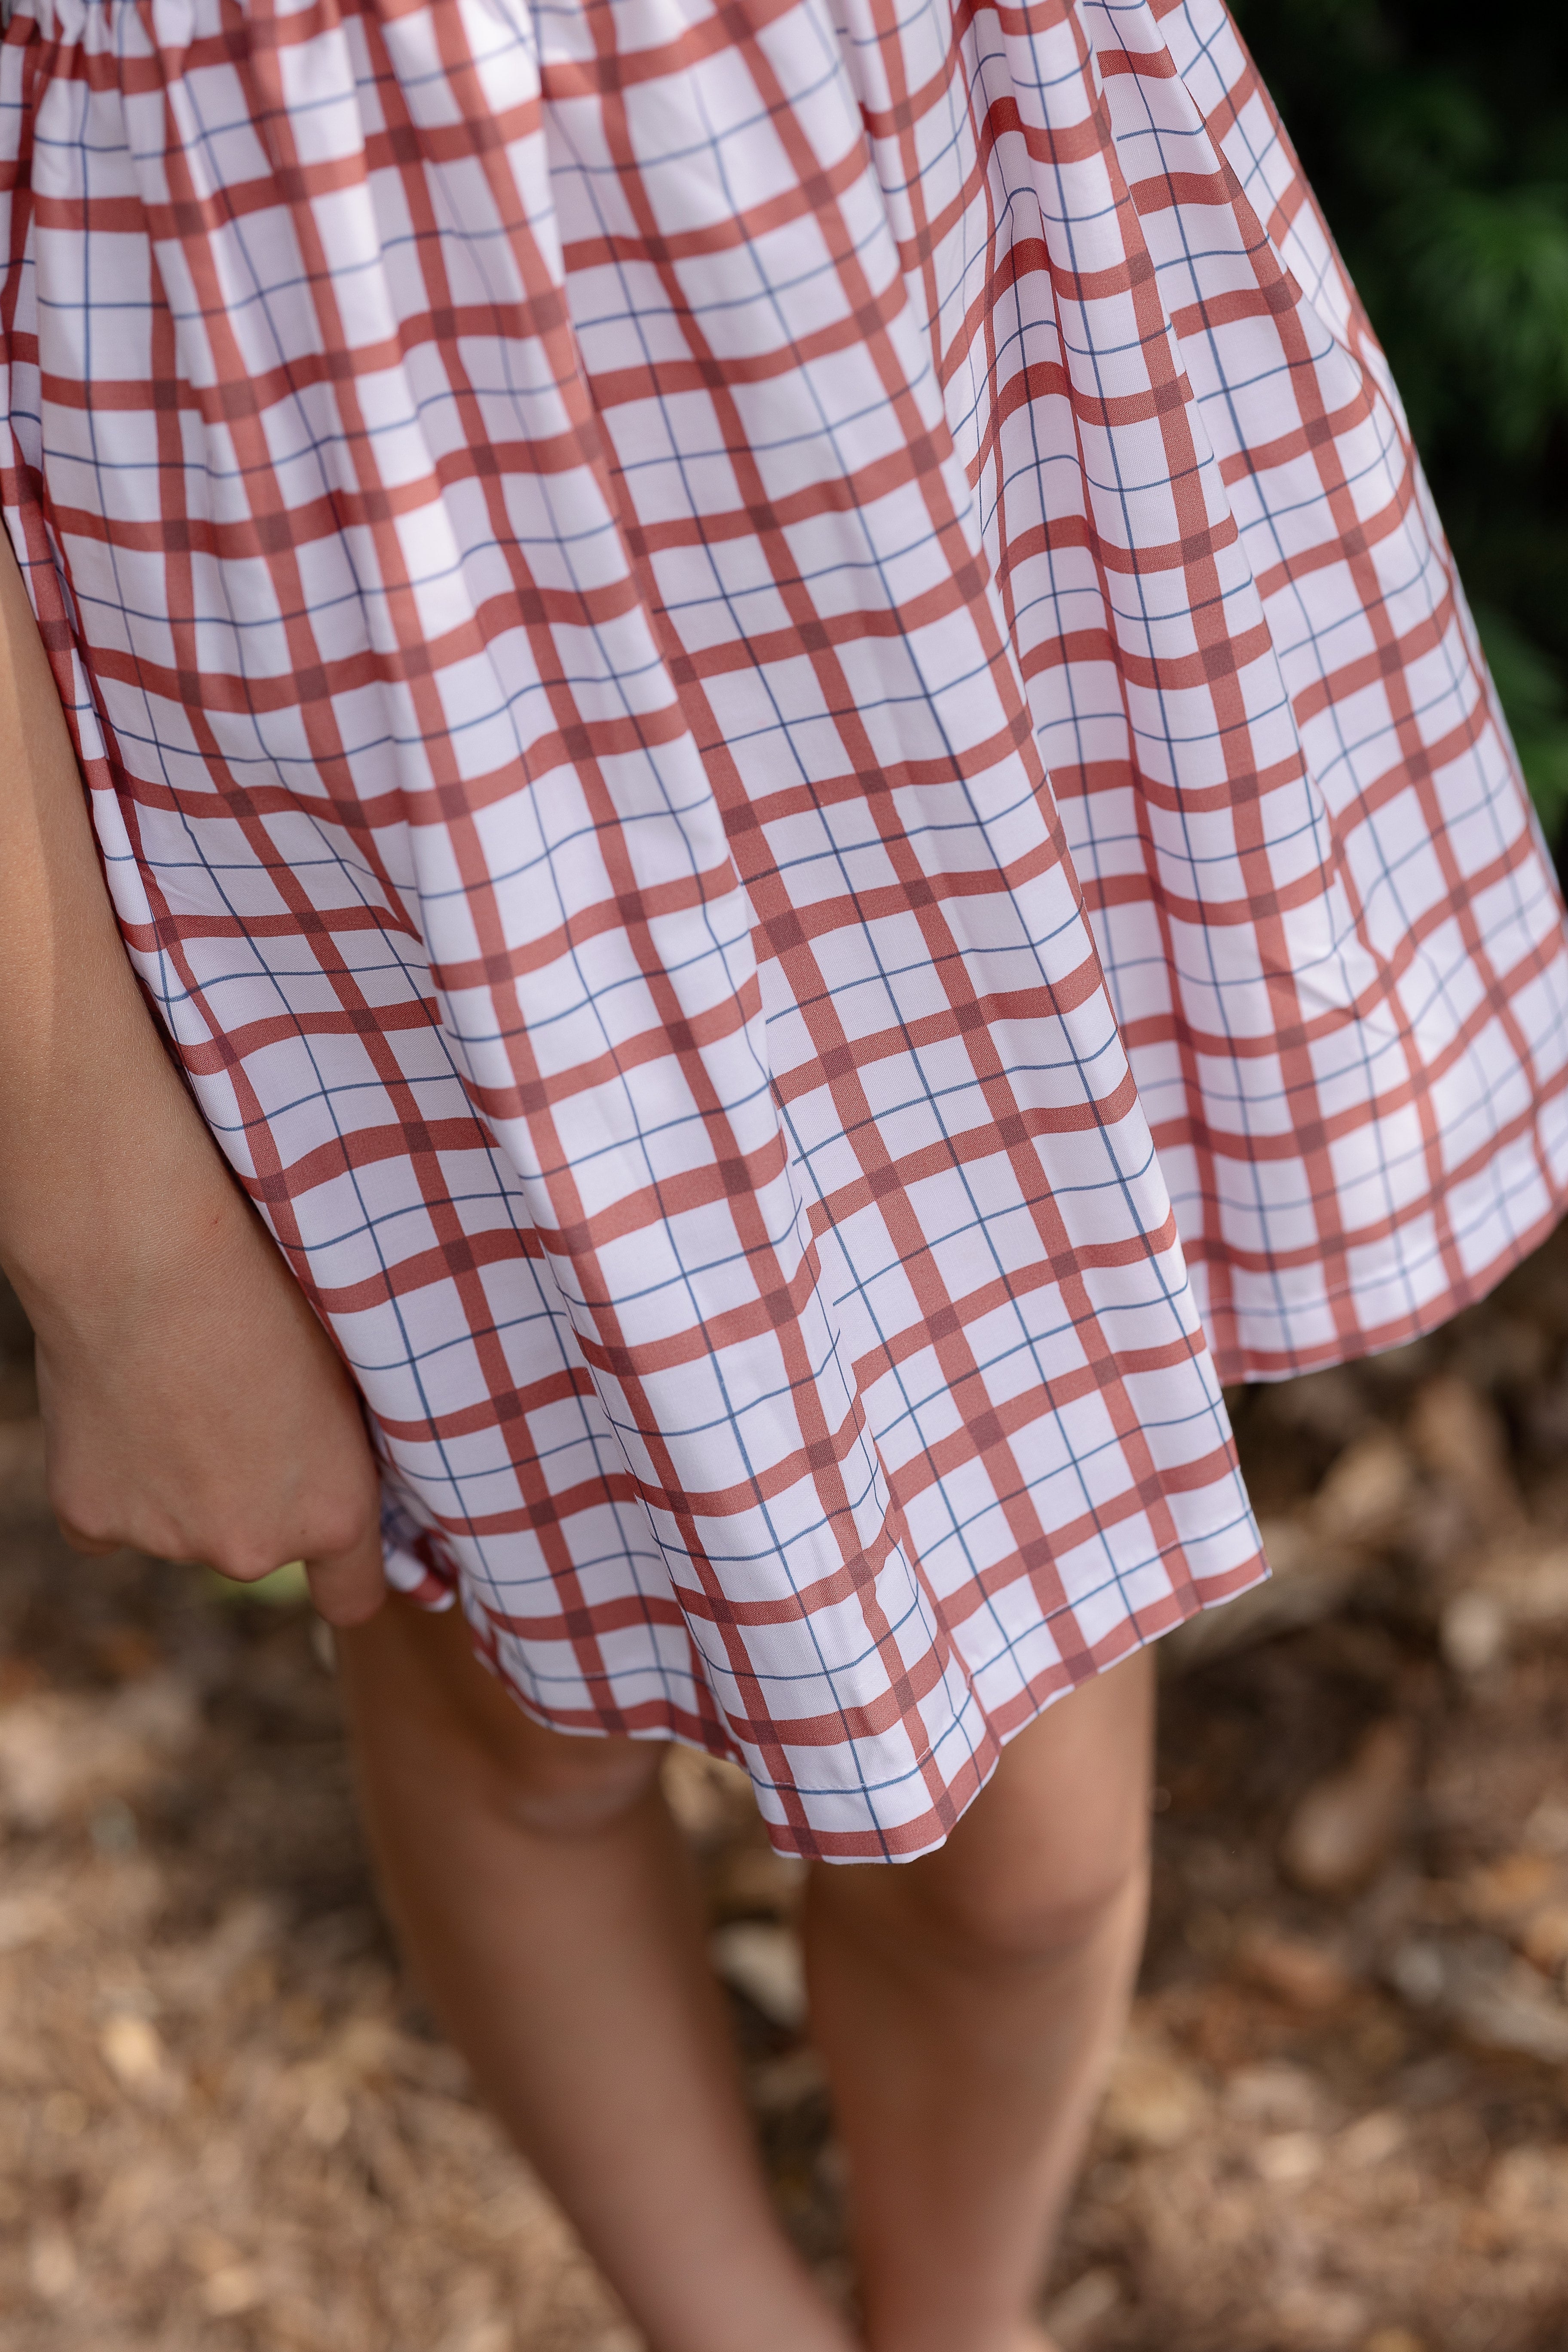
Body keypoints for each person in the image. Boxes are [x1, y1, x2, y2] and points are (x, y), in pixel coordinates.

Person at [1, 0, 1563, 2346]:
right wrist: (100, 1215)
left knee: (1030, 1857)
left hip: (893, 325)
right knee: (513, 1716)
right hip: (353, 501)